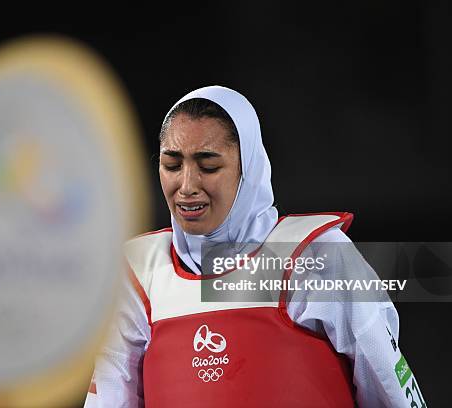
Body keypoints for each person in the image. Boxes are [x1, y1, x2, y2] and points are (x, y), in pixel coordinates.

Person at [84, 86, 426, 407]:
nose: (186, 185)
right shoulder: (140, 273)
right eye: (172, 165)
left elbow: (389, 386)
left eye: (209, 166)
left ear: (249, 169)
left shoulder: (315, 254)